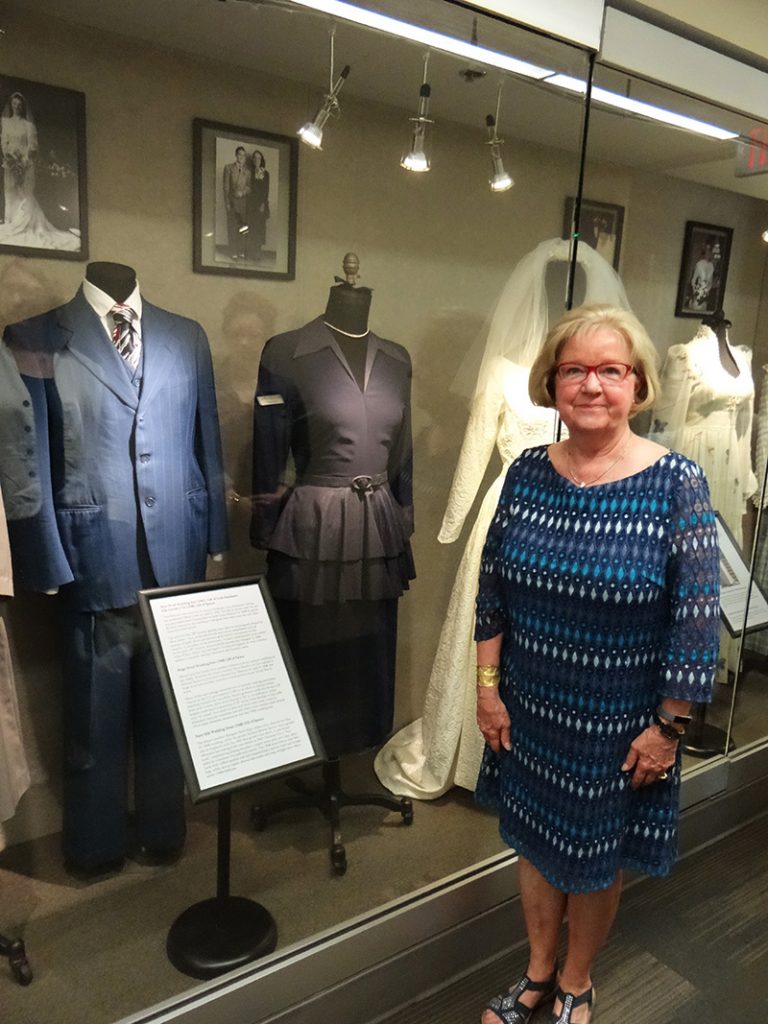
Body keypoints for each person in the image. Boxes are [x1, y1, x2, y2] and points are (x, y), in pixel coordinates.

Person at [475, 304, 720, 1024]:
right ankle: (537, 971)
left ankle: (577, 981)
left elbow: (697, 620)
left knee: (594, 856)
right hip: (530, 710)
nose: (591, 385)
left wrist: (668, 729)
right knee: (534, 841)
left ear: (637, 387)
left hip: (618, 723)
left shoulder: (676, 483)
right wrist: (488, 692)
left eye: (610, 371)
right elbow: (492, 589)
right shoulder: (525, 473)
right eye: (574, 370)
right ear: (551, 385)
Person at [0, 90, 79, 251]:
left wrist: (24, 161)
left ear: (22, 107)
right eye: (14, 104)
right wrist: (10, 157)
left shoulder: (28, 125)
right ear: (11, 105)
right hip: (10, 163)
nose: (17, 107)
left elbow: (32, 146)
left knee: (26, 194)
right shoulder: (5, 122)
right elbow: (4, 142)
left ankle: (29, 225)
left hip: (26, 163)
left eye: (19, 105)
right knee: (11, 193)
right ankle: (12, 222)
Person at [222, 144, 251, 260]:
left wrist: (243, 192)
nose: (241, 157)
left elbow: (249, 187)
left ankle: (241, 251)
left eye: (243, 155)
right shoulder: (229, 168)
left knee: (243, 228)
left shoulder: (247, 172)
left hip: (243, 203)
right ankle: (233, 251)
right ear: (236, 155)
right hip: (233, 202)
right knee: (232, 227)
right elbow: (226, 188)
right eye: (239, 155)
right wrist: (227, 203)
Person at [245, 149, 269, 262]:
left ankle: (258, 252)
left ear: (261, 160)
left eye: (258, 158)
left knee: (260, 229)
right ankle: (250, 251)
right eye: (254, 158)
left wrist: (263, 204)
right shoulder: (249, 173)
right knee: (251, 228)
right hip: (250, 205)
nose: (256, 160)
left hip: (261, 205)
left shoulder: (265, 173)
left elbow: (266, 190)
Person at [690, 242, 715, 309]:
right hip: (698, 291)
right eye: (707, 252)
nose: (708, 254)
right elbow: (693, 280)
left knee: (704, 307)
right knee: (697, 306)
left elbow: (711, 281)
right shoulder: (699, 264)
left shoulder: (711, 266)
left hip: (706, 293)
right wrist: (695, 291)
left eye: (709, 252)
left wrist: (707, 290)